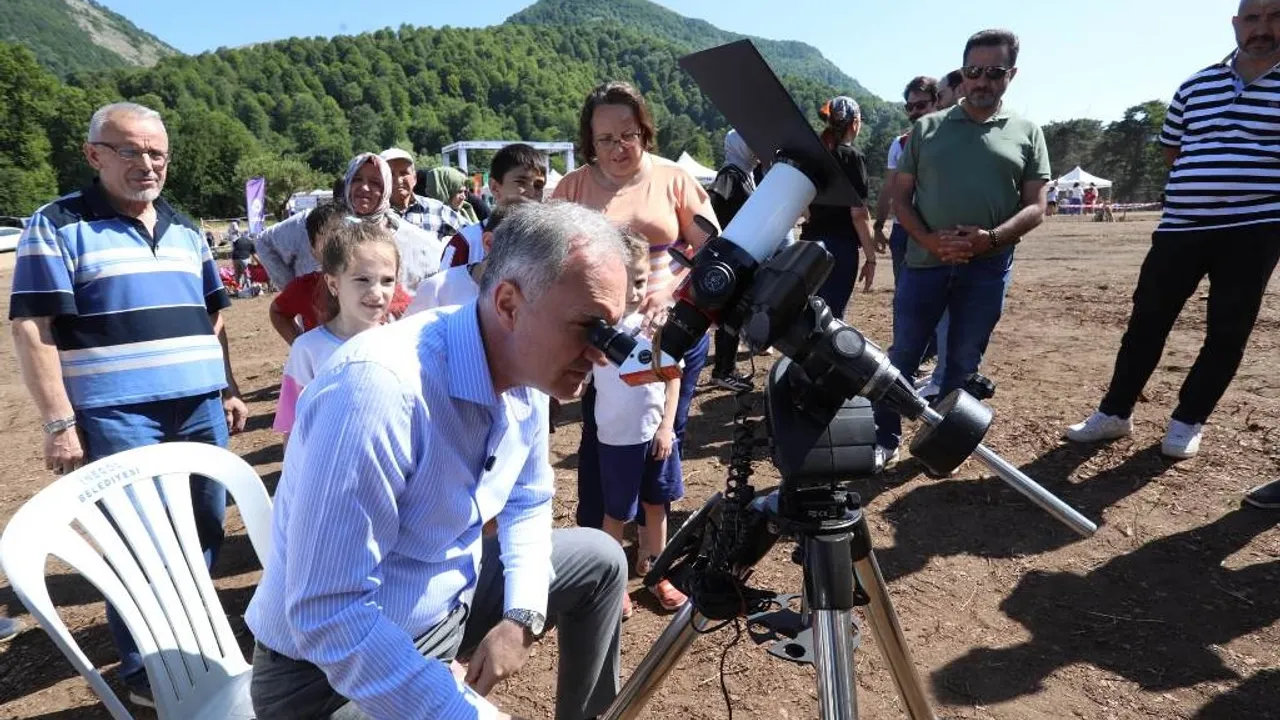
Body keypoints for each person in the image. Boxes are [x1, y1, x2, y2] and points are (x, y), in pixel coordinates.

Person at [245, 201, 630, 720]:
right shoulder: (379, 389)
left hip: (444, 606)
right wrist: (456, 708)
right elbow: (327, 614)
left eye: (610, 331)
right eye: (589, 327)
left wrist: (522, 615)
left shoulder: (528, 368)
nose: (602, 353)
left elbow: (528, 499)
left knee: (600, 559)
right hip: (323, 678)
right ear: (509, 304)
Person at [9, 102, 248, 708]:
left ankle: (193, 647)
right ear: (94, 155)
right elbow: (34, 326)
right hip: (118, 414)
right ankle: (147, 672)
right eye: (130, 150)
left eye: (157, 152)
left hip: (200, 407)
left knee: (203, 528)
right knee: (140, 545)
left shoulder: (185, 227)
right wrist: (60, 422)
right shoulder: (57, 223)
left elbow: (213, 315)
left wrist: (226, 387)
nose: (147, 163)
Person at [1065, 0, 1280, 459]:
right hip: (1181, 227)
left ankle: (1187, 421)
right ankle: (1115, 413)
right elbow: (1172, 150)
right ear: (1236, 24)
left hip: (1254, 229)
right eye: (1252, 18)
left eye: (1275, 16)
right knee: (1147, 320)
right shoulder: (1196, 84)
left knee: (1227, 330)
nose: (1262, 27)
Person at [875, 29, 1051, 464]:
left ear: (1011, 75)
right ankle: (884, 437)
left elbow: (1036, 206)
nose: (982, 81)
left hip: (987, 268)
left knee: (962, 362)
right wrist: (929, 240)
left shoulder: (1028, 132)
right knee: (903, 355)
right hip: (924, 263)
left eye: (994, 72)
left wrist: (991, 239)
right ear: (962, 72)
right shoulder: (927, 129)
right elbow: (900, 198)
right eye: (973, 71)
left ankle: (940, 445)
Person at [552, 80, 720, 527]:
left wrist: (672, 291)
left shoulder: (673, 179)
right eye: (605, 138)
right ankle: (598, 545)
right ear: (590, 141)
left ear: (644, 131)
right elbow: (550, 260)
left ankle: (651, 549)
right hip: (599, 342)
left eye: (628, 134)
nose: (618, 147)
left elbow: (712, 249)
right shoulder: (571, 188)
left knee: (663, 437)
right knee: (600, 436)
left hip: (674, 334)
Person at [581, 233, 687, 617]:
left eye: (640, 281)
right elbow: (581, 384)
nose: (635, 292)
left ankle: (656, 570)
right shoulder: (596, 335)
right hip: (616, 439)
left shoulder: (653, 326)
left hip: (655, 436)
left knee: (656, 505)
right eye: (626, 283)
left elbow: (672, 378)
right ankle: (615, 582)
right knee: (616, 512)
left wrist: (666, 427)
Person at [274, 218, 400, 450]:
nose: (376, 292)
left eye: (387, 281)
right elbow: (292, 426)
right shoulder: (308, 349)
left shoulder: (401, 344)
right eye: (362, 280)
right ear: (333, 284)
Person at [268, 202, 411, 344]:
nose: (339, 246)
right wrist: (299, 343)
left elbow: (410, 313)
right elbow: (278, 312)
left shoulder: (380, 286)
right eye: (330, 240)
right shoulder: (304, 288)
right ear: (313, 250)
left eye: (346, 238)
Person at [802, 95, 878, 321]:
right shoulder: (853, 157)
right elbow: (859, 214)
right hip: (839, 248)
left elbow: (804, 207)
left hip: (809, 243)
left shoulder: (812, 154)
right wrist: (871, 258)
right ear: (855, 123)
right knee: (831, 319)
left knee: (808, 314)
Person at [343, 152, 446, 294]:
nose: (364, 187)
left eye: (375, 182)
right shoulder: (330, 233)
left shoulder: (412, 239)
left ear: (386, 188)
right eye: (357, 179)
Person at [706, 129, 760, 393]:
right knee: (731, 314)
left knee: (735, 314)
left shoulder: (745, 174)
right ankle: (723, 371)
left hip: (741, 256)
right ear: (739, 147)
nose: (756, 150)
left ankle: (725, 369)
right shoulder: (730, 174)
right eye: (751, 144)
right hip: (732, 257)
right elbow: (713, 205)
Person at [408, 200, 527, 315]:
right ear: (489, 243)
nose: (531, 256)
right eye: (521, 246)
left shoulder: (534, 297)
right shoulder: (438, 289)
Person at [875, 76, 940, 285]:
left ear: (937, 102)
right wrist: (878, 226)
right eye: (909, 107)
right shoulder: (899, 144)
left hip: (940, 228)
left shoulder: (953, 141)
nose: (914, 112)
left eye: (921, 105)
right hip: (903, 231)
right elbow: (888, 189)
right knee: (904, 293)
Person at [443, 143, 547, 268]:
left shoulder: (551, 242)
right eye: (521, 182)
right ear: (495, 188)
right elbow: (444, 280)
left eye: (538, 186)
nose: (532, 192)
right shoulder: (465, 243)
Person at [380, 147, 466, 242]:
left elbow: (471, 234)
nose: (398, 180)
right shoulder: (374, 215)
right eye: (390, 174)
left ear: (414, 178)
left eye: (404, 173)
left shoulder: (437, 210)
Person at [230, 226, 257, 293]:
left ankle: (237, 289)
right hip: (244, 258)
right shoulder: (251, 242)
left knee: (237, 274)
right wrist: (260, 263)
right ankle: (249, 289)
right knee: (247, 274)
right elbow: (254, 255)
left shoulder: (238, 239)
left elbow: (233, 248)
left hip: (234, 258)